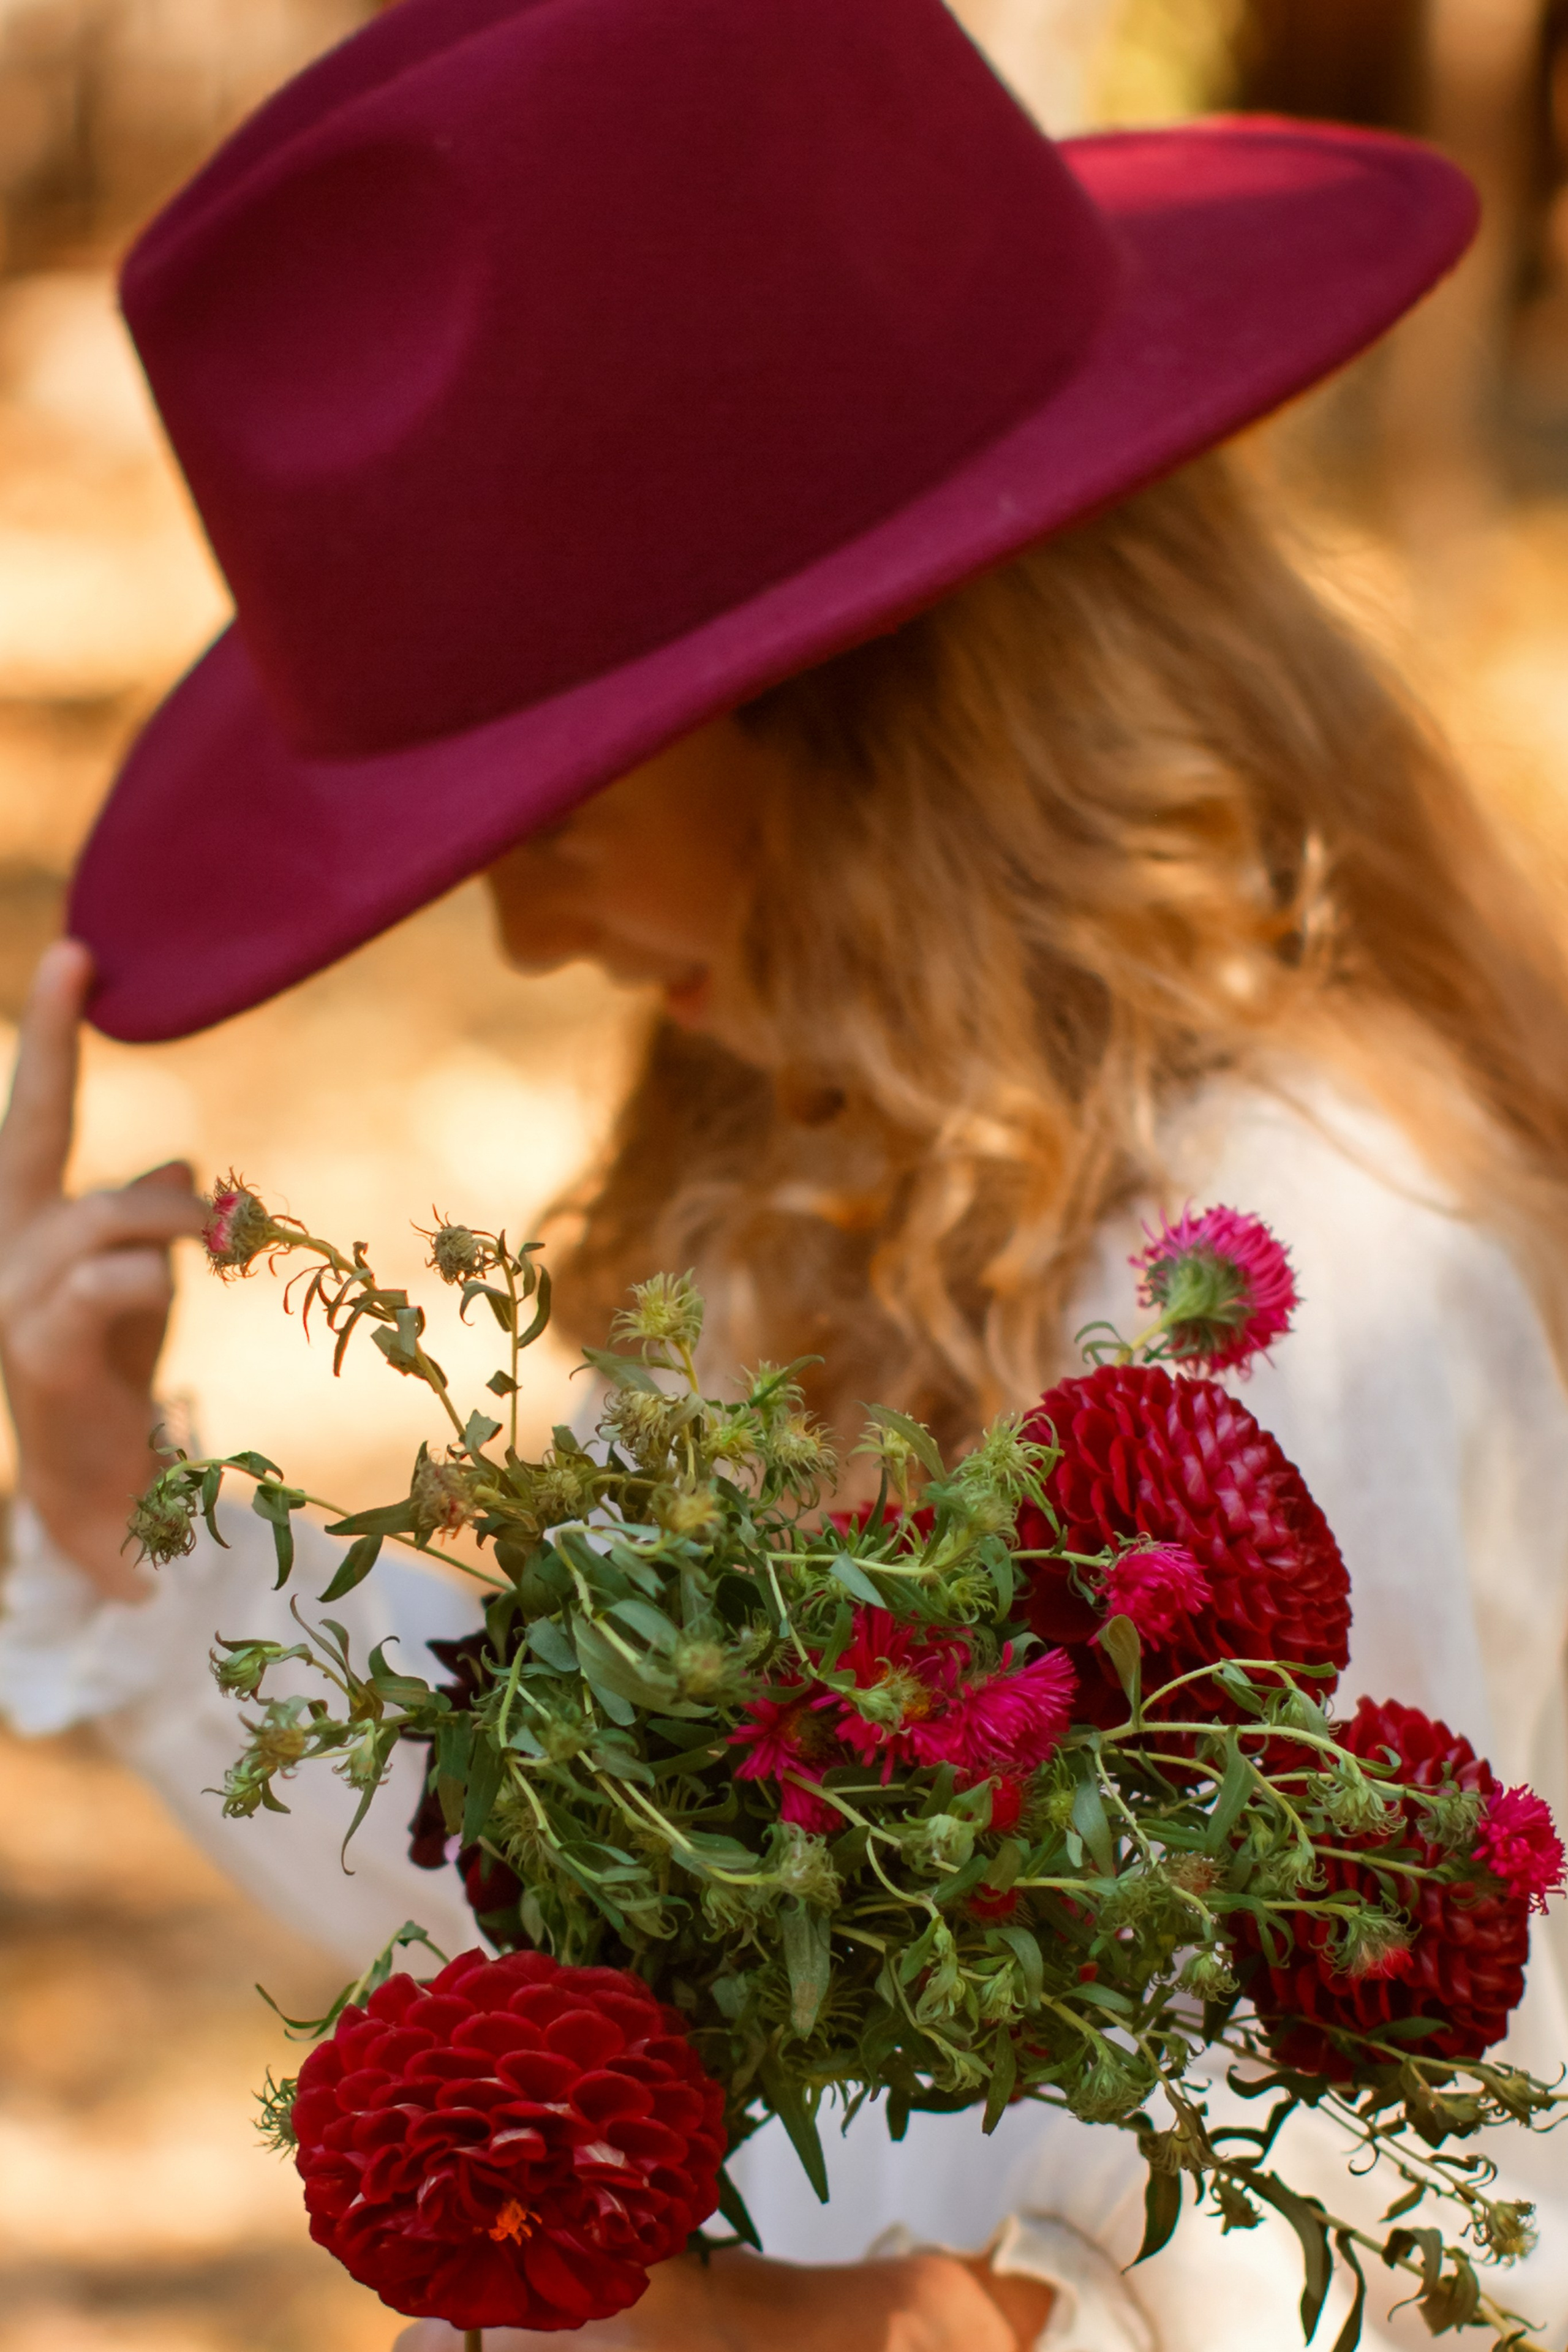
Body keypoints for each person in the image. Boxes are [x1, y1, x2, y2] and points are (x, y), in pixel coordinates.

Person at [0, 1, 1565, 2346]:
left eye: (561, 813)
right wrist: (124, 1509)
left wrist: (874, 2312)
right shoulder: (828, 1173)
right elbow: (595, 1907)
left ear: (886, 708)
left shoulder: (1298, 1267)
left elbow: (1379, 2197)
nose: (526, 934)